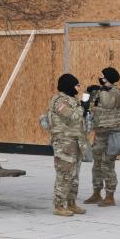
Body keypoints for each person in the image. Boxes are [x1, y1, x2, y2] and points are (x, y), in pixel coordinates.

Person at [83, 66, 120, 207]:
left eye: (102, 75)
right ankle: (96, 193)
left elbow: (108, 104)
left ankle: (109, 195)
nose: (100, 77)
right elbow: (89, 107)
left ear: (107, 78)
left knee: (108, 165)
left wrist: (101, 90)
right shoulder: (100, 92)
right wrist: (88, 95)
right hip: (100, 133)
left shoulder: (115, 93)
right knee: (97, 164)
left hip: (112, 134)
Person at [47, 73, 87, 217]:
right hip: (63, 143)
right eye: (77, 85)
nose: (79, 88)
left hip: (74, 142)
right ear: (69, 85)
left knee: (74, 175)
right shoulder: (59, 101)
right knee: (64, 174)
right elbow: (72, 116)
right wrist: (83, 107)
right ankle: (59, 205)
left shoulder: (72, 99)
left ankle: (71, 203)